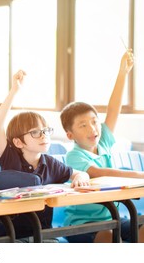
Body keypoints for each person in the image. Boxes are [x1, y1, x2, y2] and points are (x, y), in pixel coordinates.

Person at [0, 70, 90, 242]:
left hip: (43, 236)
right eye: (35, 132)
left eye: (45, 131)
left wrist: (81, 176)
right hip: (10, 238)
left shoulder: (50, 163)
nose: (44, 136)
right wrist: (14, 91)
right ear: (18, 142)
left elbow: (78, 173)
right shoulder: (10, 158)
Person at [60, 49, 144, 243]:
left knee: (139, 226)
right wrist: (140, 175)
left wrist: (123, 73)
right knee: (108, 235)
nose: (92, 128)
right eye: (83, 125)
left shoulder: (103, 141)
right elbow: (100, 173)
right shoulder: (74, 156)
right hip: (80, 225)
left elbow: (114, 108)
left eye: (95, 121)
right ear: (70, 135)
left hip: (113, 219)